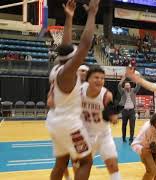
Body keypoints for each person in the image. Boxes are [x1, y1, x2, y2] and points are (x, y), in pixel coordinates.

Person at [46, 0, 99, 179]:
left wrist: (69, 18)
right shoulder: (68, 72)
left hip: (54, 121)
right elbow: (84, 45)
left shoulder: (57, 68)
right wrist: (92, 14)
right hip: (69, 124)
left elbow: (66, 45)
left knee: (61, 163)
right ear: (71, 59)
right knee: (86, 161)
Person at [81, 66, 121, 180]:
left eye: (102, 78)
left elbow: (111, 113)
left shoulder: (106, 95)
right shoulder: (79, 91)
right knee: (83, 167)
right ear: (88, 79)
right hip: (85, 135)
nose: (99, 80)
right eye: (96, 77)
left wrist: (113, 117)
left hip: (104, 134)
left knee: (113, 166)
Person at [118, 74, 141, 144]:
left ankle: (131, 139)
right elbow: (119, 85)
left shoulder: (133, 91)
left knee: (132, 126)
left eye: (128, 85)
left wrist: (136, 79)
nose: (127, 86)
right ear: (124, 87)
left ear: (130, 86)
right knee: (124, 125)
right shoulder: (122, 91)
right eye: (126, 85)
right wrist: (123, 79)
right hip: (124, 111)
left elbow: (138, 85)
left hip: (132, 111)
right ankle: (124, 138)